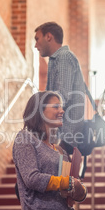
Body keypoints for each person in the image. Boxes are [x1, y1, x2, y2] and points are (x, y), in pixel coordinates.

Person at [12, 91, 88, 210]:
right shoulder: (25, 138)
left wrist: (80, 189)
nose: (62, 111)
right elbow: (32, 178)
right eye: (56, 106)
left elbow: (74, 189)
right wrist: (68, 182)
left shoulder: (60, 150)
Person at [34, 22, 86, 155]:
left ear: (49, 37)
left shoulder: (63, 57)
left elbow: (61, 97)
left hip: (65, 134)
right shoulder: (56, 60)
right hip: (62, 133)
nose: (35, 45)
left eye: (37, 39)